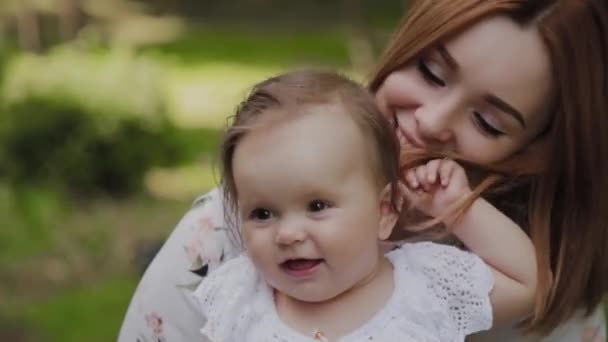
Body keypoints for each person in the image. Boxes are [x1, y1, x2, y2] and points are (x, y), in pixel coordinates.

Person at [118, 1, 608, 341]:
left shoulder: (435, 284)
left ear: (537, 151)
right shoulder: (228, 254)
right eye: (431, 72)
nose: (431, 121)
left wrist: (461, 211)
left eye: (487, 120)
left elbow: (531, 285)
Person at [195, 69, 535, 341]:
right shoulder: (241, 298)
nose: (287, 234)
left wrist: (459, 206)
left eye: (317, 206)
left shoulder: (426, 287)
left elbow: (527, 285)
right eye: (263, 214)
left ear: (384, 210)